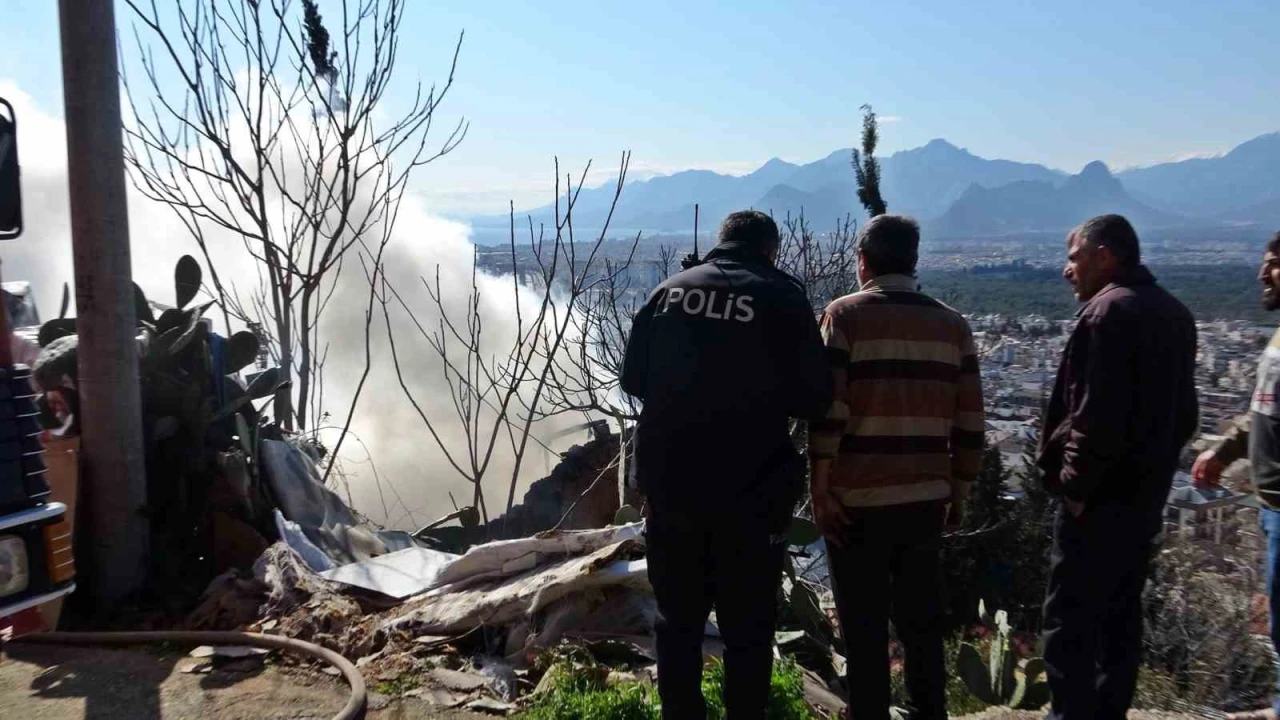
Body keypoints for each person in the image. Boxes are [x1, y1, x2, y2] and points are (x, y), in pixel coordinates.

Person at [621, 210, 832, 719]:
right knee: (747, 631)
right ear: (770, 250)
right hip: (751, 495)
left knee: (677, 623)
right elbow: (814, 397)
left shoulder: (668, 292)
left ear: (721, 243)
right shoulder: (783, 297)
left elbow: (633, 380)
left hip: (672, 490)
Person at [808, 214, 984, 720]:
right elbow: (970, 421)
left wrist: (820, 488)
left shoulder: (844, 316)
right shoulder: (953, 325)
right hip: (925, 500)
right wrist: (960, 492)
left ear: (863, 261)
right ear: (914, 260)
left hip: (855, 503)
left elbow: (830, 411)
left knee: (863, 628)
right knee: (921, 625)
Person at [1037, 214, 1199, 720]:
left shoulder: (1106, 313)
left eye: (1074, 257)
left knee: (1069, 619)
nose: (1068, 270)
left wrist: (1074, 487)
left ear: (1104, 255)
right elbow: (1186, 415)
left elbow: (1093, 415)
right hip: (1144, 498)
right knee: (1122, 617)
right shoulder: (1175, 313)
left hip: (1098, 501)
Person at [1192, 231, 1280, 720]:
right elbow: (1262, 412)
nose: (1261, 273)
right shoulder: (1278, 336)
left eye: (1272, 263)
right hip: (1271, 502)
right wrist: (1223, 452)